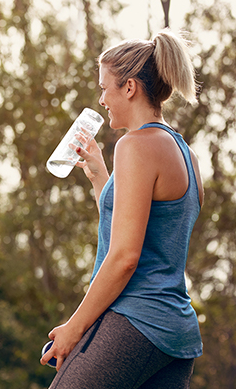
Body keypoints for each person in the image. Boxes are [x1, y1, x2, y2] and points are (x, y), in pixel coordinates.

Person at [40, 29, 204, 388]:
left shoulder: (136, 145)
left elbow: (125, 256)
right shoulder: (185, 154)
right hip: (176, 337)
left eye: (104, 88)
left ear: (129, 87)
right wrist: (102, 177)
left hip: (134, 320)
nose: (101, 100)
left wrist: (74, 328)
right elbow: (147, 232)